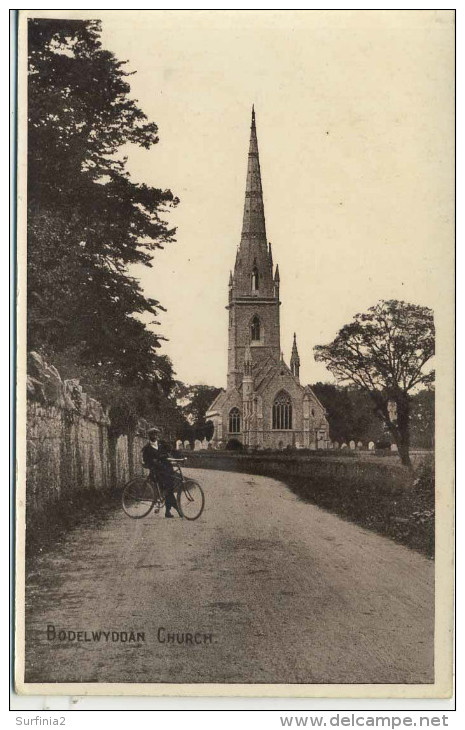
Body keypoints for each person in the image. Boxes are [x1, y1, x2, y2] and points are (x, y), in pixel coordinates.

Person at [142, 427, 182, 519]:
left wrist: (181, 457)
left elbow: (172, 450)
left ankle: (168, 511)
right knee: (168, 489)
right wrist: (155, 462)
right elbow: (147, 461)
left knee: (170, 488)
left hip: (167, 469)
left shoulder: (162, 444)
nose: (154, 436)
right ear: (149, 436)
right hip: (157, 472)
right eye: (152, 434)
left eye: (156, 434)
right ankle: (177, 509)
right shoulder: (147, 448)